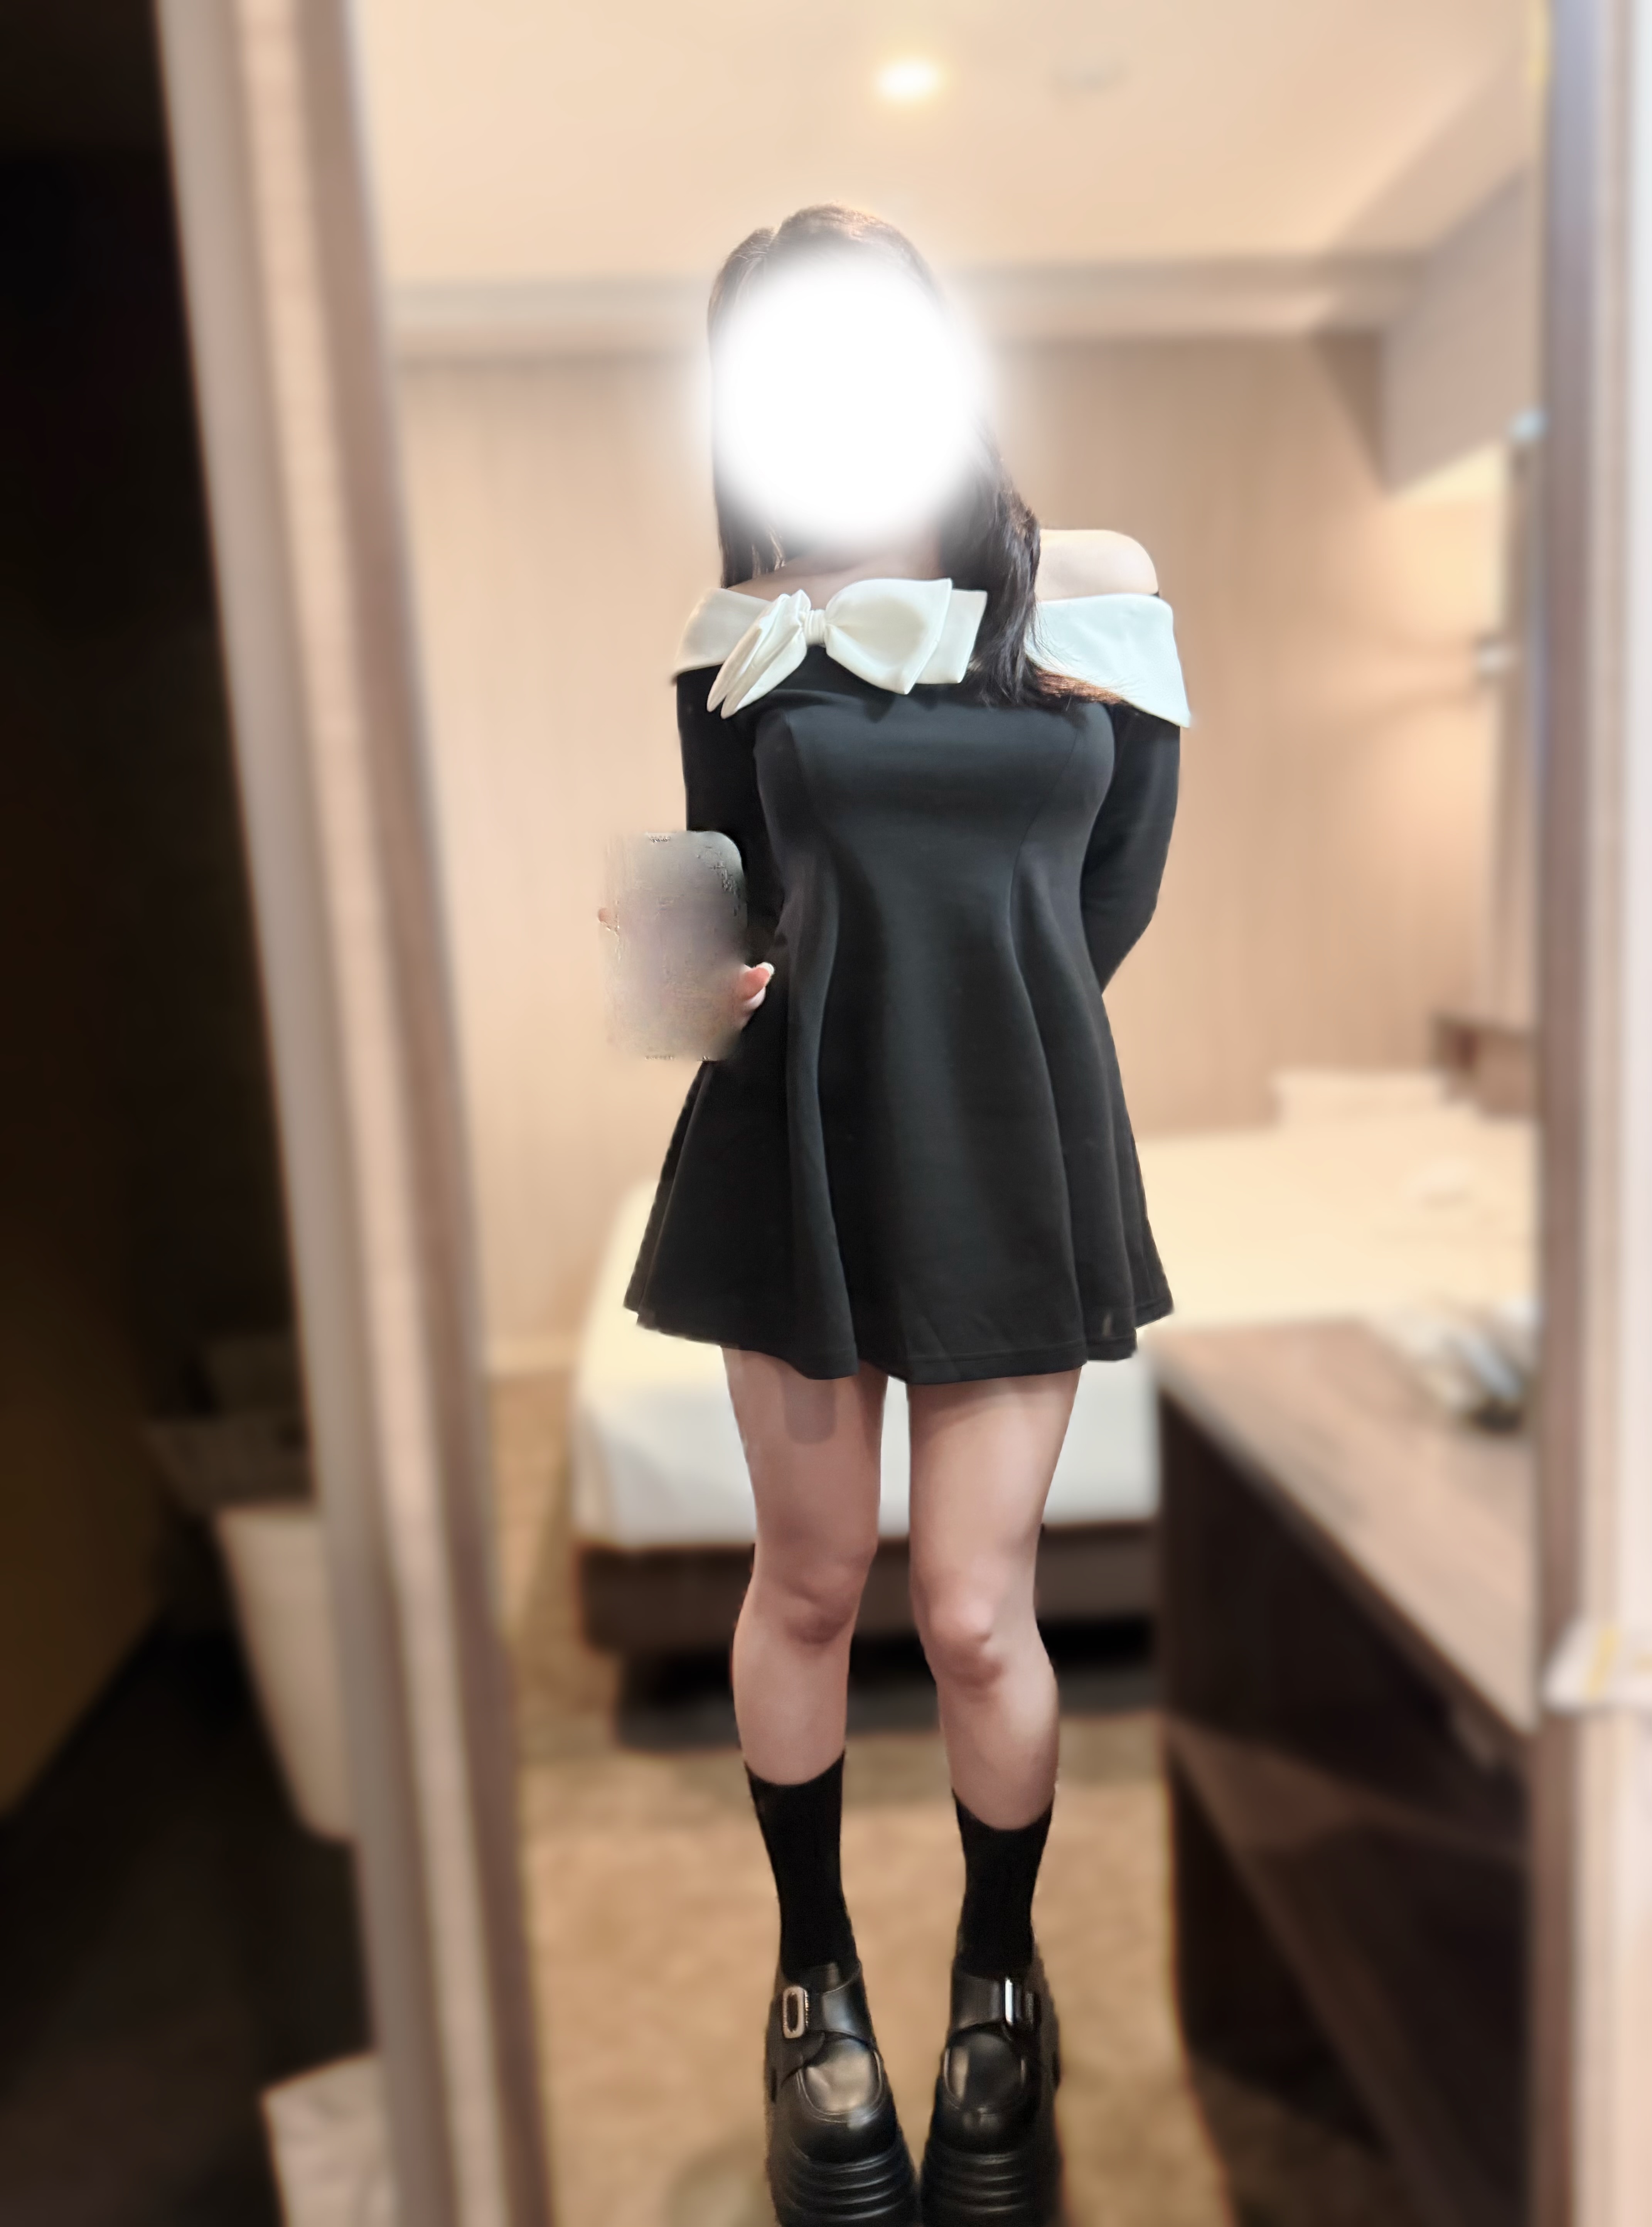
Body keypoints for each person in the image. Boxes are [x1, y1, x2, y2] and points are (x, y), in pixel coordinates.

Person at [624, 204, 1189, 2227]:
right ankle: (816, 1989)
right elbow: (712, 915)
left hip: (1007, 1148)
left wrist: (979, 1039)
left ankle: (998, 1989)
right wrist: (673, 980)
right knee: (804, 1589)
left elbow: (1111, 893)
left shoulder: (1096, 587)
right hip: (790, 1148)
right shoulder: (739, 627)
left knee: (968, 1611)